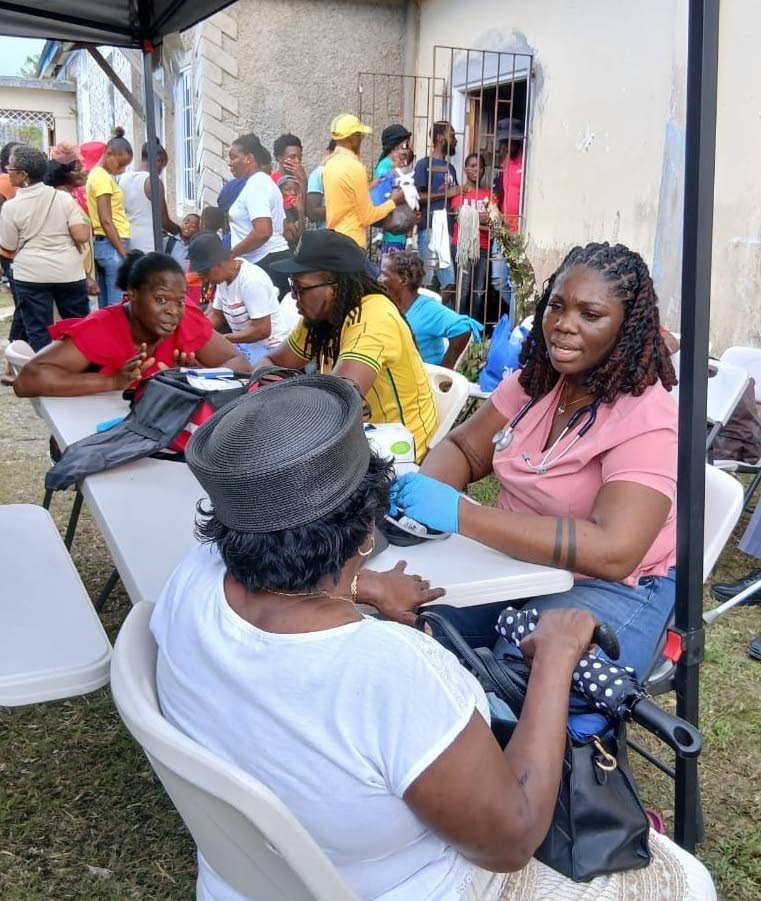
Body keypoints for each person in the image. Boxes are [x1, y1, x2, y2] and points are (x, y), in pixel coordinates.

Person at [151, 374, 716, 901]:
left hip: (248, 877)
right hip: (404, 885)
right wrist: (557, 656)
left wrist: (360, 586)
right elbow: (511, 840)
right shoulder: (392, 672)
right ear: (365, 528)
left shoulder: (190, 578)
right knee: (690, 881)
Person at [390, 242, 680, 680]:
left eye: (590, 314)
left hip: (612, 585)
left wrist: (461, 516)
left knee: (519, 665)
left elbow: (614, 550)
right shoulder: (538, 383)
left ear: (629, 327)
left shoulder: (647, 416)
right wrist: (427, 496)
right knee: (412, 625)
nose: (563, 325)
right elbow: (466, 450)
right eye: (556, 307)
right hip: (516, 564)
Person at [257, 229, 438, 463]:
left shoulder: (374, 317)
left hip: (398, 455)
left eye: (300, 288)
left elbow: (336, 404)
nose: (294, 297)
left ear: (335, 287)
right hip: (352, 442)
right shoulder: (319, 318)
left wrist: (278, 394)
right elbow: (269, 362)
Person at [13, 250, 250, 399]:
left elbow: (240, 365)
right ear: (132, 294)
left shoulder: (185, 320)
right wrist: (113, 381)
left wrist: (194, 376)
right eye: (161, 299)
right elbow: (28, 380)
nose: (172, 311)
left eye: (180, 301)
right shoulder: (103, 327)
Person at [0, 146, 90, 353]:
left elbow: (9, 245)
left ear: (23, 174)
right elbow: (81, 235)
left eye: (10, 168)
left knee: (38, 330)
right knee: (78, 327)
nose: (7, 171)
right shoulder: (64, 198)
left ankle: (47, 374)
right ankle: (82, 372)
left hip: (31, 275)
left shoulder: (11, 207)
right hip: (68, 272)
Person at [188, 231, 288, 365]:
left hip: (270, 348)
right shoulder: (223, 280)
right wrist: (195, 334)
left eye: (206, 273)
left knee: (219, 366)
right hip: (245, 345)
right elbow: (217, 315)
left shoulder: (250, 280)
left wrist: (225, 339)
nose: (205, 279)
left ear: (219, 264)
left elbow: (262, 330)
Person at [380, 251, 483, 369]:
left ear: (403, 280)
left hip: (424, 379)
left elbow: (463, 329)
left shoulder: (426, 309)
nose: (379, 279)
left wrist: (445, 372)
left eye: (384, 274)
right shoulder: (390, 304)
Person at [323, 113, 404, 249]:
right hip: (352, 242)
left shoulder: (329, 164)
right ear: (352, 138)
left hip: (334, 238)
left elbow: (347, 195)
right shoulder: (355, 167)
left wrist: (374, 183)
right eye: (360, 136)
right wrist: (394, 201)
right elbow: (368, 217)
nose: (361, 140)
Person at [227, 132, 292, 298]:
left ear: (249, 158)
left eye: (233, 157)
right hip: (271, 261)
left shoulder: (257, 185)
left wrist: (232, 254)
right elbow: (283, 227)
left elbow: (263, 232)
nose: (230, 163)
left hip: (266, 263)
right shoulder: (262, 182)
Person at [86, 127, 133, 307]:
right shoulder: (102, 178)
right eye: (120, 164)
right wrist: (124, 252)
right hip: (112, 244)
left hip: (105, 244)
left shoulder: (97, 175)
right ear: (109, 154)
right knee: (117, 307)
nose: (122, 170)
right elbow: (106, 219)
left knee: (107, 307)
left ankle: (104, 336)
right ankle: (116, 336)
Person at [44, 147, 99, 299]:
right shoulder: (61, 200)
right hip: (73, 277)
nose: (83, 170)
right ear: (65, 175)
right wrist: (85, 276)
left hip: (78, 274)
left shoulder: (70, 197)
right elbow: (66, 242)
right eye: (78, 169)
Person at [414, 120, 459, 306]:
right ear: (440, 138)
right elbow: (417, 196)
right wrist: (446, 194)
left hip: (447, 230)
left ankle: (434, 313)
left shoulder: (451, 168)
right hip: (429, 229)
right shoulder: (424, 164)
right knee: (428, 279)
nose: (455, 140)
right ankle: (423, 318)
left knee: (449, 281)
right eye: (452, 135)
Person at [491, 118, 525, 322]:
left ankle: (513, 325)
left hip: (518, 232)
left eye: (509, 142)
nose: (505, 146)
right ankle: (515, 317)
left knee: (514, 282)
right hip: (503, 229)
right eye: (503, 143)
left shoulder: (527, 162)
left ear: (518, 141)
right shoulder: (506, 164)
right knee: (499, 281)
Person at [450, 153, 492, 322]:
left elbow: (492, 219)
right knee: (463, 289)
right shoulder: (460, 192)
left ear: (483, 170)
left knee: (479, 291)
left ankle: (473, 329)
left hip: (483, 246)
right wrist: (482, 218)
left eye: (479, 166)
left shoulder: (488, 194)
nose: (476, 169)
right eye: (472, 166)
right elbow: (460, 216)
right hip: (462, 246)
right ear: (466, 169)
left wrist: (472, 217)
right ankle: (459, 327)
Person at [119, 140, 180, 252]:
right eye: (163, 165)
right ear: (158, 160)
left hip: (126, 242)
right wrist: (181, 232)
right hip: (148, 245)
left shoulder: (123, 178)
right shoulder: (153, 181)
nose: (162, 170)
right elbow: (164, 221)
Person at [0, 140, 27, 365]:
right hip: (11, 253)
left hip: (19, 254)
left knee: (23, 306)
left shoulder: (25, 184)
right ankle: (12, 364)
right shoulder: (5, 183)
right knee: (23, 306)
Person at [374, 124, 413, 258]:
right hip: (391, 233)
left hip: (399, 230)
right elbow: (384, 199)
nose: (408, 148)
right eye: (406, 144)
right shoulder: (385, 166)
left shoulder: (397, 165)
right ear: (395, 146)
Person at [305, 140, 336, 228]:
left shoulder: (352, 175)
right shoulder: (320, 173)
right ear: (330, 152)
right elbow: (312, 213)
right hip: (330, 236)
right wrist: (342, 208)